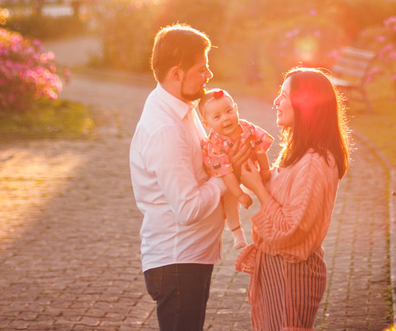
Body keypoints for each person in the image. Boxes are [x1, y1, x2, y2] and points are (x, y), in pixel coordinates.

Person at [129, 24, 253, 331]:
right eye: (201, 69)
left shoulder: (182, 107)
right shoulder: (165, 129)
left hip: (188, 260)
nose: (209, 75)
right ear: (177, 73)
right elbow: (187, 209)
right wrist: (227, 174)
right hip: (177, 263)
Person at [235, 67, 350, 331]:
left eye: (284, 95)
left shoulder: (313, 163)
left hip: (292, 276)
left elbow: (291, 227)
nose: (276, 101)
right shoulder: (301, 152)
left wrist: (258, 188)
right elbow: (285, 199)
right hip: (279, 271)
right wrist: (258, 176)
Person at [197, 88, 274, 249]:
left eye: (228, 111)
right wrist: (240, 195)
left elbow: (260, 149)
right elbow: (225, 173)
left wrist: (265, 170)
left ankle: (273, 219)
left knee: (271, 186)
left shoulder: (246, 128)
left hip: (252, 169)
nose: (226, 118)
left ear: (236, 109)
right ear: (207, 124)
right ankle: (237, 233)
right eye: (217, 117)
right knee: (230, 203)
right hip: (229, 178)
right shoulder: (214, 145)